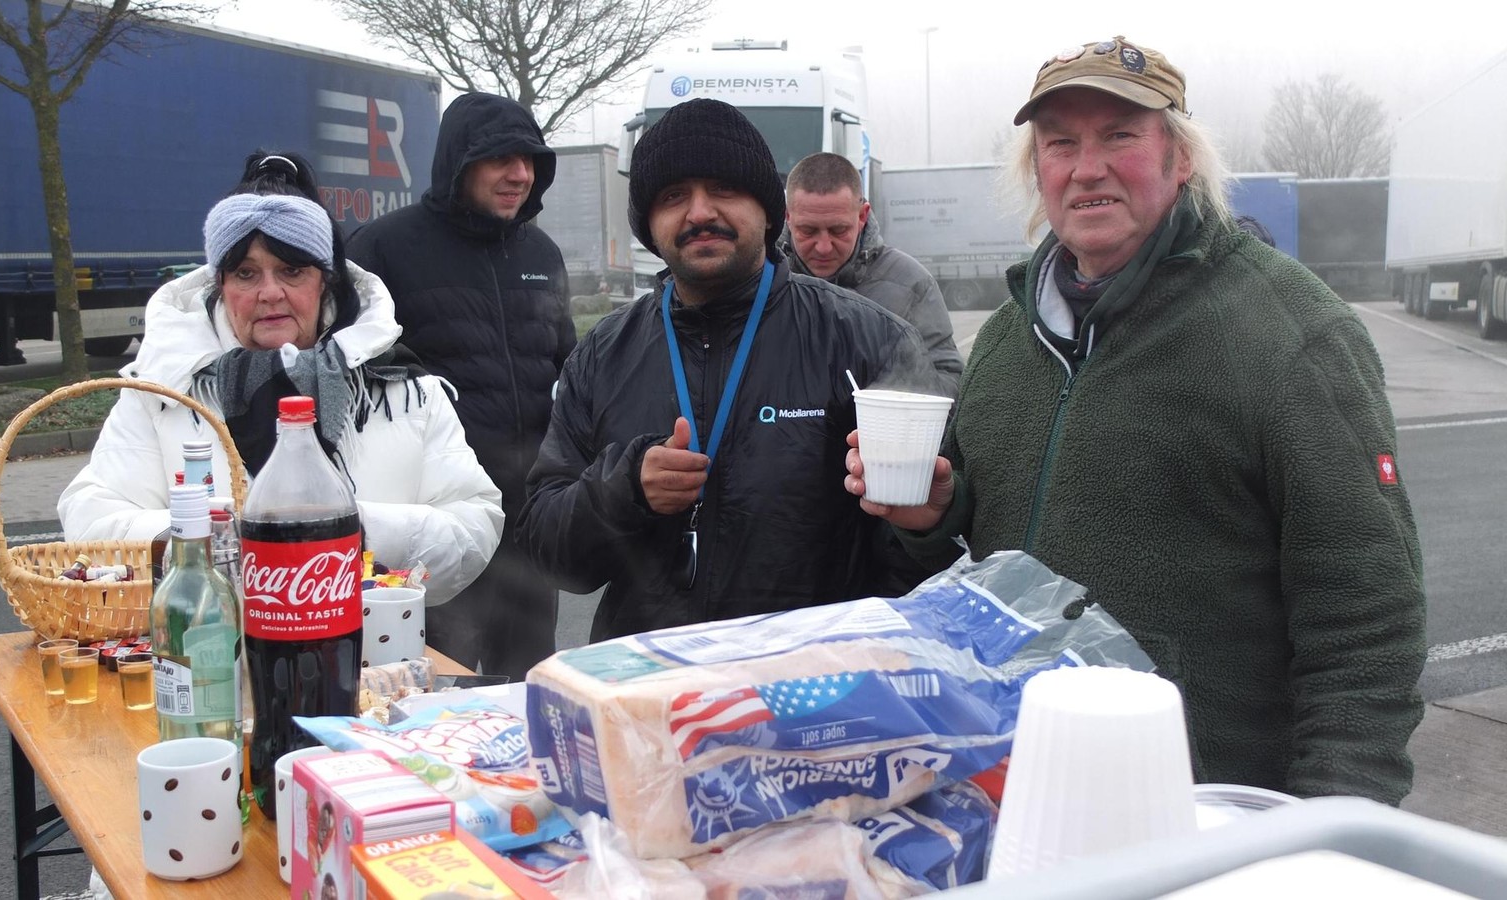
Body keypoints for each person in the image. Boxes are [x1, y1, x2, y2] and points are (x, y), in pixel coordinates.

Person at [844, 37, 1426, 804]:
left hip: (1199, 810)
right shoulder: (1007, 340)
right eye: (1061, 144)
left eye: (1119, 135)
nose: (1087, 168)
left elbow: (1368, 622)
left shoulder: (1293, 333)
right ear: (1037, 171)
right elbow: (969, 556)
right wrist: (932, 515)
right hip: (1015, 788)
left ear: (1180, 159)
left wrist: (1328, 826)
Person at [517, 98, 937, 640]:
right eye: (673, 196)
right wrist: (625, 491)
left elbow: (924, 557)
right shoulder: (604, 352)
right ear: (649, 224)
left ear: (768, 212)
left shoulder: (866, 340)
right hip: (649, 679)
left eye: (724, 188)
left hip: (809, 678)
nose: (699, 212)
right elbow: (547, 549)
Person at [60, 151, 504, 608]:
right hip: (208, 645)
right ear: (220, 284)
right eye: (246, 273)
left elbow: (474, 525)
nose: (270, 293)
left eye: (292, 270)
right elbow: (90, 521)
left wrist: (351, 529)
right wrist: (213, 543)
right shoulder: (162, 392)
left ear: (325, 280)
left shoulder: (400, 388)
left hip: (371, 645)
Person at [347, 93, 574, 680]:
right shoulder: (383, 249)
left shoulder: (541, 253)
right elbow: (346, 377)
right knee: (432, 689)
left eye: (530, 159)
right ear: (458, 162)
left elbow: (566, 372)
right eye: (501, 158)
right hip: (439, 528)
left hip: (526, 525)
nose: (520, 174)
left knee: (532, 684)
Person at [777, 152, 963, 396]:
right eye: (808, 230)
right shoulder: (761, 279)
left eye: (838, 230)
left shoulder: (911, 284)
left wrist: (889, 399)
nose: (823, 247)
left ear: (862, 216)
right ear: (787, 218)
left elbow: (949, 385)